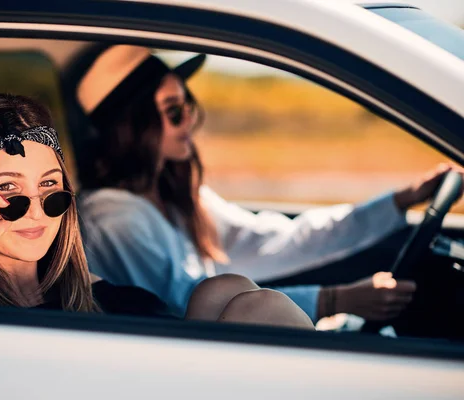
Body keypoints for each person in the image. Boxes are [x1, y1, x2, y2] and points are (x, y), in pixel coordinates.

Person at [75, 45, 459, 322]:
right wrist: (335, 300)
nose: (190, 120)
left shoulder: (174, 196)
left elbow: (279, 239)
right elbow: (185, 305)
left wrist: (401, 201)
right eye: (174, 112)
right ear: (131, 128)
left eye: (187, 105)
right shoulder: (114, 218)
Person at [0, 92, 314, 329]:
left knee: (223, 290)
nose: (37, 211)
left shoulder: (95, 294)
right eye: (9, 190)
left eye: (50, 188)